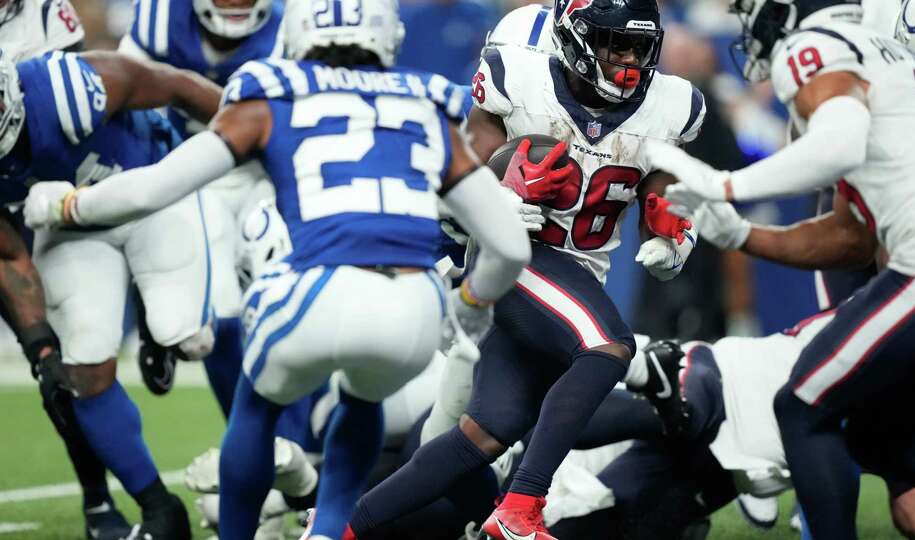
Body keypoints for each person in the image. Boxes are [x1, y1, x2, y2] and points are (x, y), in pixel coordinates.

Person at [23, 1, 532, 539]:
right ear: (390, 35)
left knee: (257, 403)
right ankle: (328, 529)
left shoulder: (269, 95)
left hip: (317, 288)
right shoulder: (430, 105)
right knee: (363, 401)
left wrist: (68, 207)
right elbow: (509, 245)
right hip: (414, 307)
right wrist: (471, 306)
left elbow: (154, 188)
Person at [345, 0, 704, 538]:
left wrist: (673, 235)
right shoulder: (521, 77)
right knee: (609, 347)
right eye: (614, 45)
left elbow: (663, 192)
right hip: (509, 256)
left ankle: (341, 527)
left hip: (576, 276)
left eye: (639, 46)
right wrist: (489, 200)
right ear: (577, 41)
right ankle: (520, 508)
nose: (629, 60)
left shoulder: (672, 107)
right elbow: (453, 176)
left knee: (488, 431)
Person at [646, 0, 915, 537]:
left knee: (802, 405)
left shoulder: (816, 46)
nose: (751, 24)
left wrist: (726, 184)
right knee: (871, 431)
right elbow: (848, 238)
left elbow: (838, 142)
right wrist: (742, 234)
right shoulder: (895, 63)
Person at [0, 50, 221, 539]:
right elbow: (9, 256)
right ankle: (159, 507)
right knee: (81, 368)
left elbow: (173, 84)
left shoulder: (65, 90)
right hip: (71, 223)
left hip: (153, 191)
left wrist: (252, 135)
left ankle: (153, 319)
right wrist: (41, 347)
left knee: (187, 334)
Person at [0, 2, 132, 539]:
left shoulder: (44, 9)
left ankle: (98, 501)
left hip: (24, 197)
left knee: (58, 361)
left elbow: (81, 85)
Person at [117, 0, 283, 411]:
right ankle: (244, 433)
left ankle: (294, 440)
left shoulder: (289, 27)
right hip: (190, 170)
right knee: (219, 313)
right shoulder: (160, 19)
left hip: (264, 172)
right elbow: (121, 90)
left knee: (280, 300)